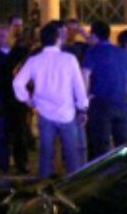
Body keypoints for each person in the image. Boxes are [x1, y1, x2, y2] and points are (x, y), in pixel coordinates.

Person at [14, 21, 89, 179]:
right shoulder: (69, 59)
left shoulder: (34, 60)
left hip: (45, 113)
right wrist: (83, 107)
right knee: (71, 156)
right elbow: (78, 86)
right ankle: (72, 188)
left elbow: (18, 83)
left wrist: (27, 100)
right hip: (67, 113)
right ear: (57, 39)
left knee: (46, 155)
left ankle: (45, 190)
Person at [0, 24, 31, 174]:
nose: (3, 39)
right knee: (1, 135)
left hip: (18, 100)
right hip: (0, 99)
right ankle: (2, 165)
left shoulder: (21, 54)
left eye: (6, 35)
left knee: (19, 134)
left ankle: (21, 164)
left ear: (12, 38)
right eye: (0, 36)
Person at [82, 21, 127, 160]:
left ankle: (102, 176)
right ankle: (123, 168)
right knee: (122, 144)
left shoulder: (93, 52)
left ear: (94, 35)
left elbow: (85, 74)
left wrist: (85, 97)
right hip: (120, 103)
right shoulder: (120, 52)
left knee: (101, 145)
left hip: (100, 103)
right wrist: (125, 87)